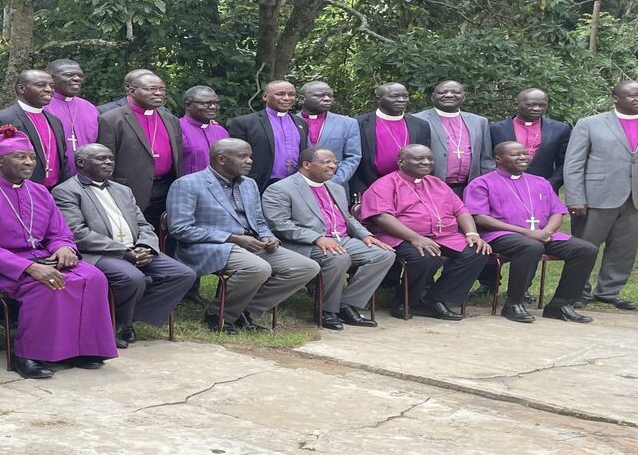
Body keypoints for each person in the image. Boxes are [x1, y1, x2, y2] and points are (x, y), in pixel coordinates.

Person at [0, 127, 117, 378]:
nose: (29, 162)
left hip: (40, 255)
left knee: (94, 277)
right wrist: (29, 267)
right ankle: (28, 354)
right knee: (45, 284)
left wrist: (63, 247)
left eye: (31, 156)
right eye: (21, 157)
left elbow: (59, 232)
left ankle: (83, 349)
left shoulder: (39, 191)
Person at [166, 139, 318, 334]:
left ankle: (243, 309)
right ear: (221, 159)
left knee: (306, 267)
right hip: (208, 246)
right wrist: (232, 237)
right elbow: (180, 229)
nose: (250, 161)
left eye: (250, 156)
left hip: (250, 244)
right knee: (258, 268)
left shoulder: (249, 184)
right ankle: (219, 314)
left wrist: (267, 237)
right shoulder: (187, 184)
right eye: (242, 157)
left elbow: (259, 222)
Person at [53, 145, 196, 348]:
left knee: (183, 274)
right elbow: (77, 232)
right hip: (98, 253)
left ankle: (124, 320)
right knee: (132, 278)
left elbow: (143, 224)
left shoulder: (123, 190)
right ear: (81, 163)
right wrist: (124, 252)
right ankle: (120, 322)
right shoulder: (66, 191)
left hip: (136, 249)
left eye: (111, 158)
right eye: (101, 158)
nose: (109, 162)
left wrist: (145, 246)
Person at [564, 81, 638, 311]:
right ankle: (577, 292)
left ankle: (609, 291)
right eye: (634, 95)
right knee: (584, 247)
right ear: (615, 98)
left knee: (625, 248)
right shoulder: (590, 124)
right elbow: (574, 164)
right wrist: (575, 197)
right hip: (596, 197)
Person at [260, 147, 394, 330]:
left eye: (335, 163)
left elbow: (348, 218)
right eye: (326, 162)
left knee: (383, 254)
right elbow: (279, 224)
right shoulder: (280, 189)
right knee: (337, 258)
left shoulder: (336, 188)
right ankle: (326, 310)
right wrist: (316, 238)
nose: (333, 166)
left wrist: (366, 235)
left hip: (341, 238)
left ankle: (346, 304)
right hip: (303, 243)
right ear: (306, 165)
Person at [465, 142, 597, 323]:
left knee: (585, 249)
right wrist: (526, 233)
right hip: (500, 235)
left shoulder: (540, 182)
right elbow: (480, 218)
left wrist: (547, 231)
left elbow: (557, 212)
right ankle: (514, 304)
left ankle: (561, 304)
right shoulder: (482, 183)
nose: (523, 157)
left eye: (525, 154)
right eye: (515, 154)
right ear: (498, 159)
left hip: (542, 234)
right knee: (530, 246)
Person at [359, 145, 492, 321]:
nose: (426, 162)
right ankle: (403, 300)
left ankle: (435, 299)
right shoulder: (385, 184)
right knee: (425, 257)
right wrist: (415, 238)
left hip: (444, 236)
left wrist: (472, 234)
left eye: (430, 159)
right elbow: (382, 217)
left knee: (476, 252)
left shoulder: (437, 183)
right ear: (401, 162)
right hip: (400, 236)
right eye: (419, 159)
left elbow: (461, 210)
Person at [96, 70, 184, 221]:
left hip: (166, 187)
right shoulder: (112, 119)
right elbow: (105, 160)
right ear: (131, 91)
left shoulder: (171, 119)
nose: (158, 93)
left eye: (161, 89)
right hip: (130, 188)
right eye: (151, 89)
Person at [0, 69, 69, 189]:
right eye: (41, 85)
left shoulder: (55, 121)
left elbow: (62, 159)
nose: (49, 90)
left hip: (56, 191)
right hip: (21, 190)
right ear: (21, 89)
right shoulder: (1, 119)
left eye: (51, 86)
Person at [352, 82, 432, 196]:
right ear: (378, 99)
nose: (401, 100)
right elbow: (353, 160)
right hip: (370, 186)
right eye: (394, 96)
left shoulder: (420, 125)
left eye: (405, 96)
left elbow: (426, 159)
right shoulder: (359, 123)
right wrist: (360, 191)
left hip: (411, 187)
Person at [226, 80, 308, 189]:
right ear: (265, 97)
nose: (287, 98)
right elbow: (235, 158)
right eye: (280, 94)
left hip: (295, 184)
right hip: (259, 184)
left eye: (291, 95)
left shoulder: (300, 122)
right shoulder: (245, 123)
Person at [413, 80, 490, 195]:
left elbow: (486, 159)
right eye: (443, 92)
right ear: (433, 97)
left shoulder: (479, 122)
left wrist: (486, 186)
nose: (449, 95)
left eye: (455, 92)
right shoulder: (417, 120)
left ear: (463, 97)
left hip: (471, 188)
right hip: (430, 187)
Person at [490, 88, 571, 191]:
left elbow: (564, 162)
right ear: (516, 105)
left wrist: (551, 184)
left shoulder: (560, 129)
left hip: (544, 188)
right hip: (503, 187)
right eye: (530, 105)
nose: (537, 108)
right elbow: (488, 159)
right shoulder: (495, 129)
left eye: (542, 105)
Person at [295, 81, 361, 188]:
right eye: (320, 95)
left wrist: (334, 181)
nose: (327, 99)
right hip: (297, 186)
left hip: (334, 186)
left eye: (329, 95)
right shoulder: (290, 122)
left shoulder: (348, 123)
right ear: (302, 99)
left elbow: (353, 157)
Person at [44, 58, 99, 165]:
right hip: (53, 171)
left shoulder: (90, 108)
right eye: (69, 75)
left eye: (80, 76)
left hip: (87, 172)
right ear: (51, 78)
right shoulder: (42, 106)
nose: (77, 79)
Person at [177, 86, 228, 177]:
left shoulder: (221, 131)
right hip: (187, 187)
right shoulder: (176, 129)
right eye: (206, 103)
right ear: (188, 105)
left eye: (215, 103)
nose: (213, 107)